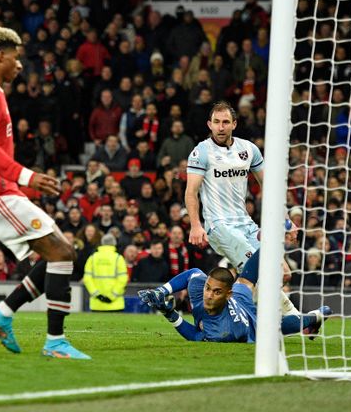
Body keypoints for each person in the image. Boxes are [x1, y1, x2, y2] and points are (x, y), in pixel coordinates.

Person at [0, 28, 90, 359]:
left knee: (59, 252)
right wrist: (27, 176)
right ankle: (54, 342)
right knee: (62, 253)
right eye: (16, 57)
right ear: (1, 56)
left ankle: (3, 314)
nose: (20, 65)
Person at [138, 249, 331, 342]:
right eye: (208, 288)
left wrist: (170, 314)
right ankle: (268, 241)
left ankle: (318, 315)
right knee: (245, 281)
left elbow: (195, 335)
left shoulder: (224, 332)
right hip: (239, 297)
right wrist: (161, 291)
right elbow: (192, 273)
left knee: (274, 326)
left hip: (251, 324)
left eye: (216, 292)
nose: (209, 295)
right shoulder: (200, 290)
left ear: (227, 294)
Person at [185, 101, 263, 270]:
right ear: (210, 125)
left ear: (234, 124)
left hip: (245, 223)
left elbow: (268, 185)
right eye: (216, 122)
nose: (221, 127)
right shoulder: (201, 152)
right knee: (258, 270)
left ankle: (225, 288)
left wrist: (285, 220)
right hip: (219, 225)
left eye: (226, 122)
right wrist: (195, 225)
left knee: (283, 272)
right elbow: (191, 192)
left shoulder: (249, 149)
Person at [82, 234, 127, 312]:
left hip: (96, 304)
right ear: (114, 243)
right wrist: (112, 296)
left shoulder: (93, 258)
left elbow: (87, 279)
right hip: (115, 304)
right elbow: (123, 280)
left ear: (102, 243)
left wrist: (98, 295)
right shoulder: (118, 258)